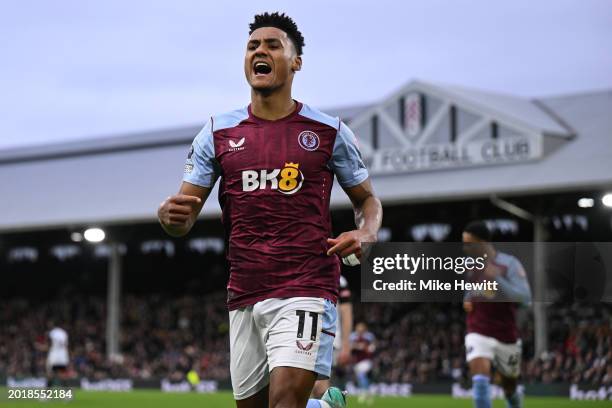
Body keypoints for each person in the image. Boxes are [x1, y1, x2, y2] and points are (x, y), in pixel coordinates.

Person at [157, 12, 382, 408]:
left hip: (306, 284)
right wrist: (170, 217)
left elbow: (367, 199)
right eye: (252, 46)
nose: (260, 51)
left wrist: (366, 231)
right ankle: (325, 405)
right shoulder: (217, 132)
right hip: (244, 290)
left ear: (296, 62)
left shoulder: (328, 132)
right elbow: (184, 217)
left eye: (273, 45)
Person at [462, 221, 532, 408]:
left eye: (469, 243)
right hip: (477, 331)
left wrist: (498, 278)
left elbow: (525, 299)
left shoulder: (508, 264)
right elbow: (472, 290)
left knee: (510, 390)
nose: (465, 248)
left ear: (483, 243)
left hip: (506, 335)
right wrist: (467, 298)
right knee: (480, 385)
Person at [312, 275, 353, 398]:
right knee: (305, 388)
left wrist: (346, 345)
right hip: (303, 337)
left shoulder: (338, 279)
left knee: (319, 387)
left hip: (328, 339)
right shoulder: (301, 269)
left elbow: (346, 312)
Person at [349, 322, 375, 404]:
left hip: (366, 361)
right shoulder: (353, 337)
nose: (360, 331)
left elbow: (371, 348)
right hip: (357, 362)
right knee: (362, 378)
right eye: (358, 330)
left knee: (361, 374)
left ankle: (364, 393)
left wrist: (367, 347)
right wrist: (358, 346)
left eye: (361, 330)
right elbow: (351, 347)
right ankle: (367, 393)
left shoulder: (368, 337)